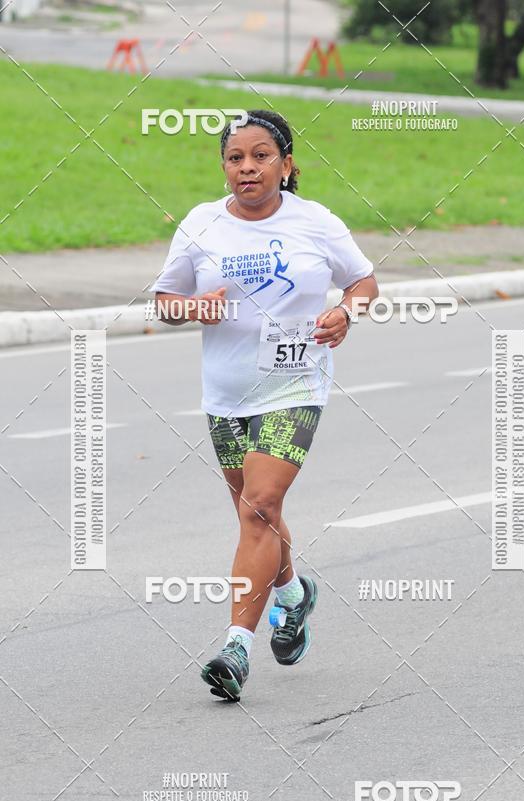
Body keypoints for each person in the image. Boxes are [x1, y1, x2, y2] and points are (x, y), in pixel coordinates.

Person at [151, 109, 379, 702]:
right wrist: (189, 309)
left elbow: (363, 283)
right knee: (258, 517)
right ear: (223, 167)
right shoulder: (201, 225)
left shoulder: (317, 222)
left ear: (287, 164)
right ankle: (293, 595)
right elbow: (164, 299)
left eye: (260, 156)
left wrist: (345, 313)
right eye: (235, 158)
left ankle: (234, 649)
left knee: (260, 506)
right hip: (226, 394)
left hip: (295, 386)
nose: (247, 167)